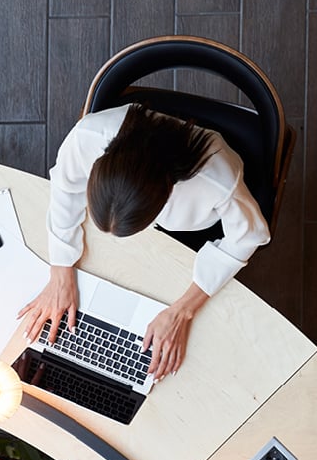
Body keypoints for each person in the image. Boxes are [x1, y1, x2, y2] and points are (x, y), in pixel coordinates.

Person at [18, 103, 270, 381]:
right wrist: (61, 270)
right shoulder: (88, 135)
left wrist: (182, 311)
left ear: (167, 194)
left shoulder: (218, 181)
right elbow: (66, 187)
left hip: (193, 234)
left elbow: (250, 236)